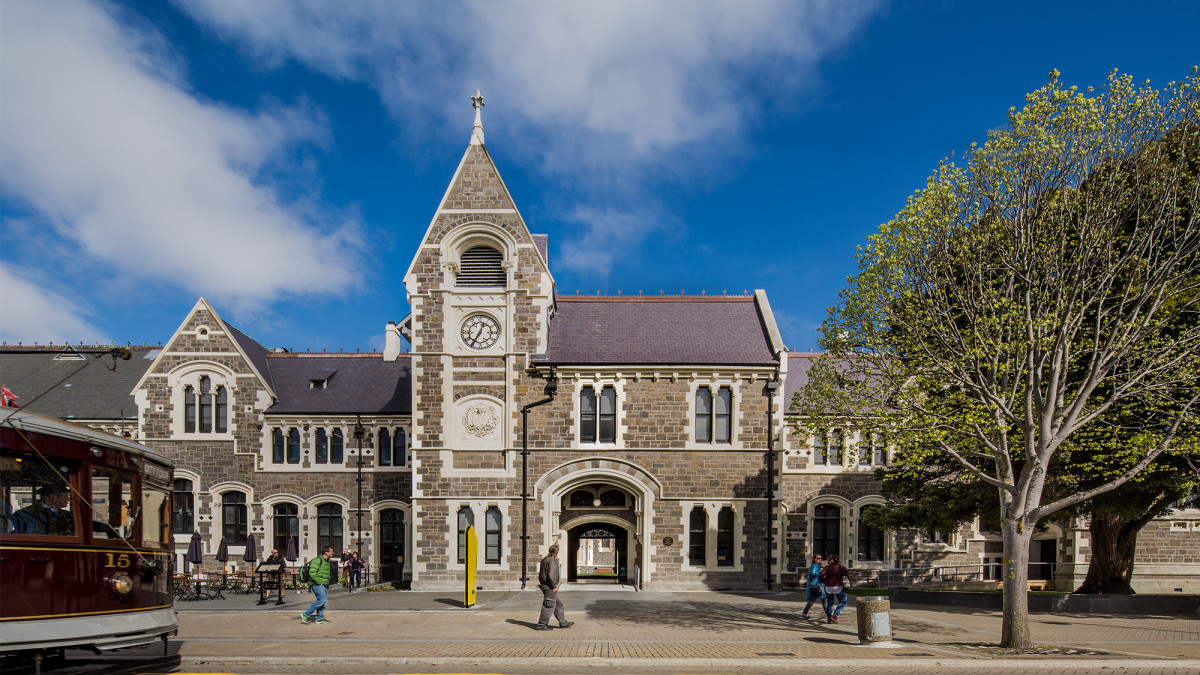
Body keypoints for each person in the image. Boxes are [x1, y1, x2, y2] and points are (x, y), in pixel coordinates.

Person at [534, 544, 573, 630]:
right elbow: (551, 576)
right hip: (550, 587)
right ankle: (541, 625)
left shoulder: (544, 560)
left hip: (545, 585)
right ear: (557, 552)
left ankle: (563, 623)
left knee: (558, 605)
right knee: (549, 605)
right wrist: (554, 585)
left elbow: (541, 575)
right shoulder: (553, 560)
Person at [301, 546, 334, 624]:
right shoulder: (317, 560)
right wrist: (319, 582)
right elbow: (312, 572)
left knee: (324, 602)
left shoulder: (327, 561)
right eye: (331, 551)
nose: (333, 553)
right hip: (317, 584)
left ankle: (319, 618)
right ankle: (306, 614)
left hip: (324, 584)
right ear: (326, 552)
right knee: (321, 600)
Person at [819, 554, 849, 623]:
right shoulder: (841, 567)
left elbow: (821, 575)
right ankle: (835, 616)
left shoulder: (827, 567)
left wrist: (823, 581)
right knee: (843, 602)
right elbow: (847, 575)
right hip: (838, 587)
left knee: (830, 603)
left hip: (828, 587)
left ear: (832, 560)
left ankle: (829, 618)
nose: (827, 561)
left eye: (828, 559)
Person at [801, 553, 824, 619]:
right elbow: (812, 574)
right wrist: (820, 571)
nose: (820, 559)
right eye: (818, 558)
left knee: (823, 599)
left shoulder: (819, 566)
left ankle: (829, 615)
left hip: (818, 584)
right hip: (815, 585)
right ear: (814, 559)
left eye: (820, 558)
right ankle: (804, 613)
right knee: (813, 600)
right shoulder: (814, 566)